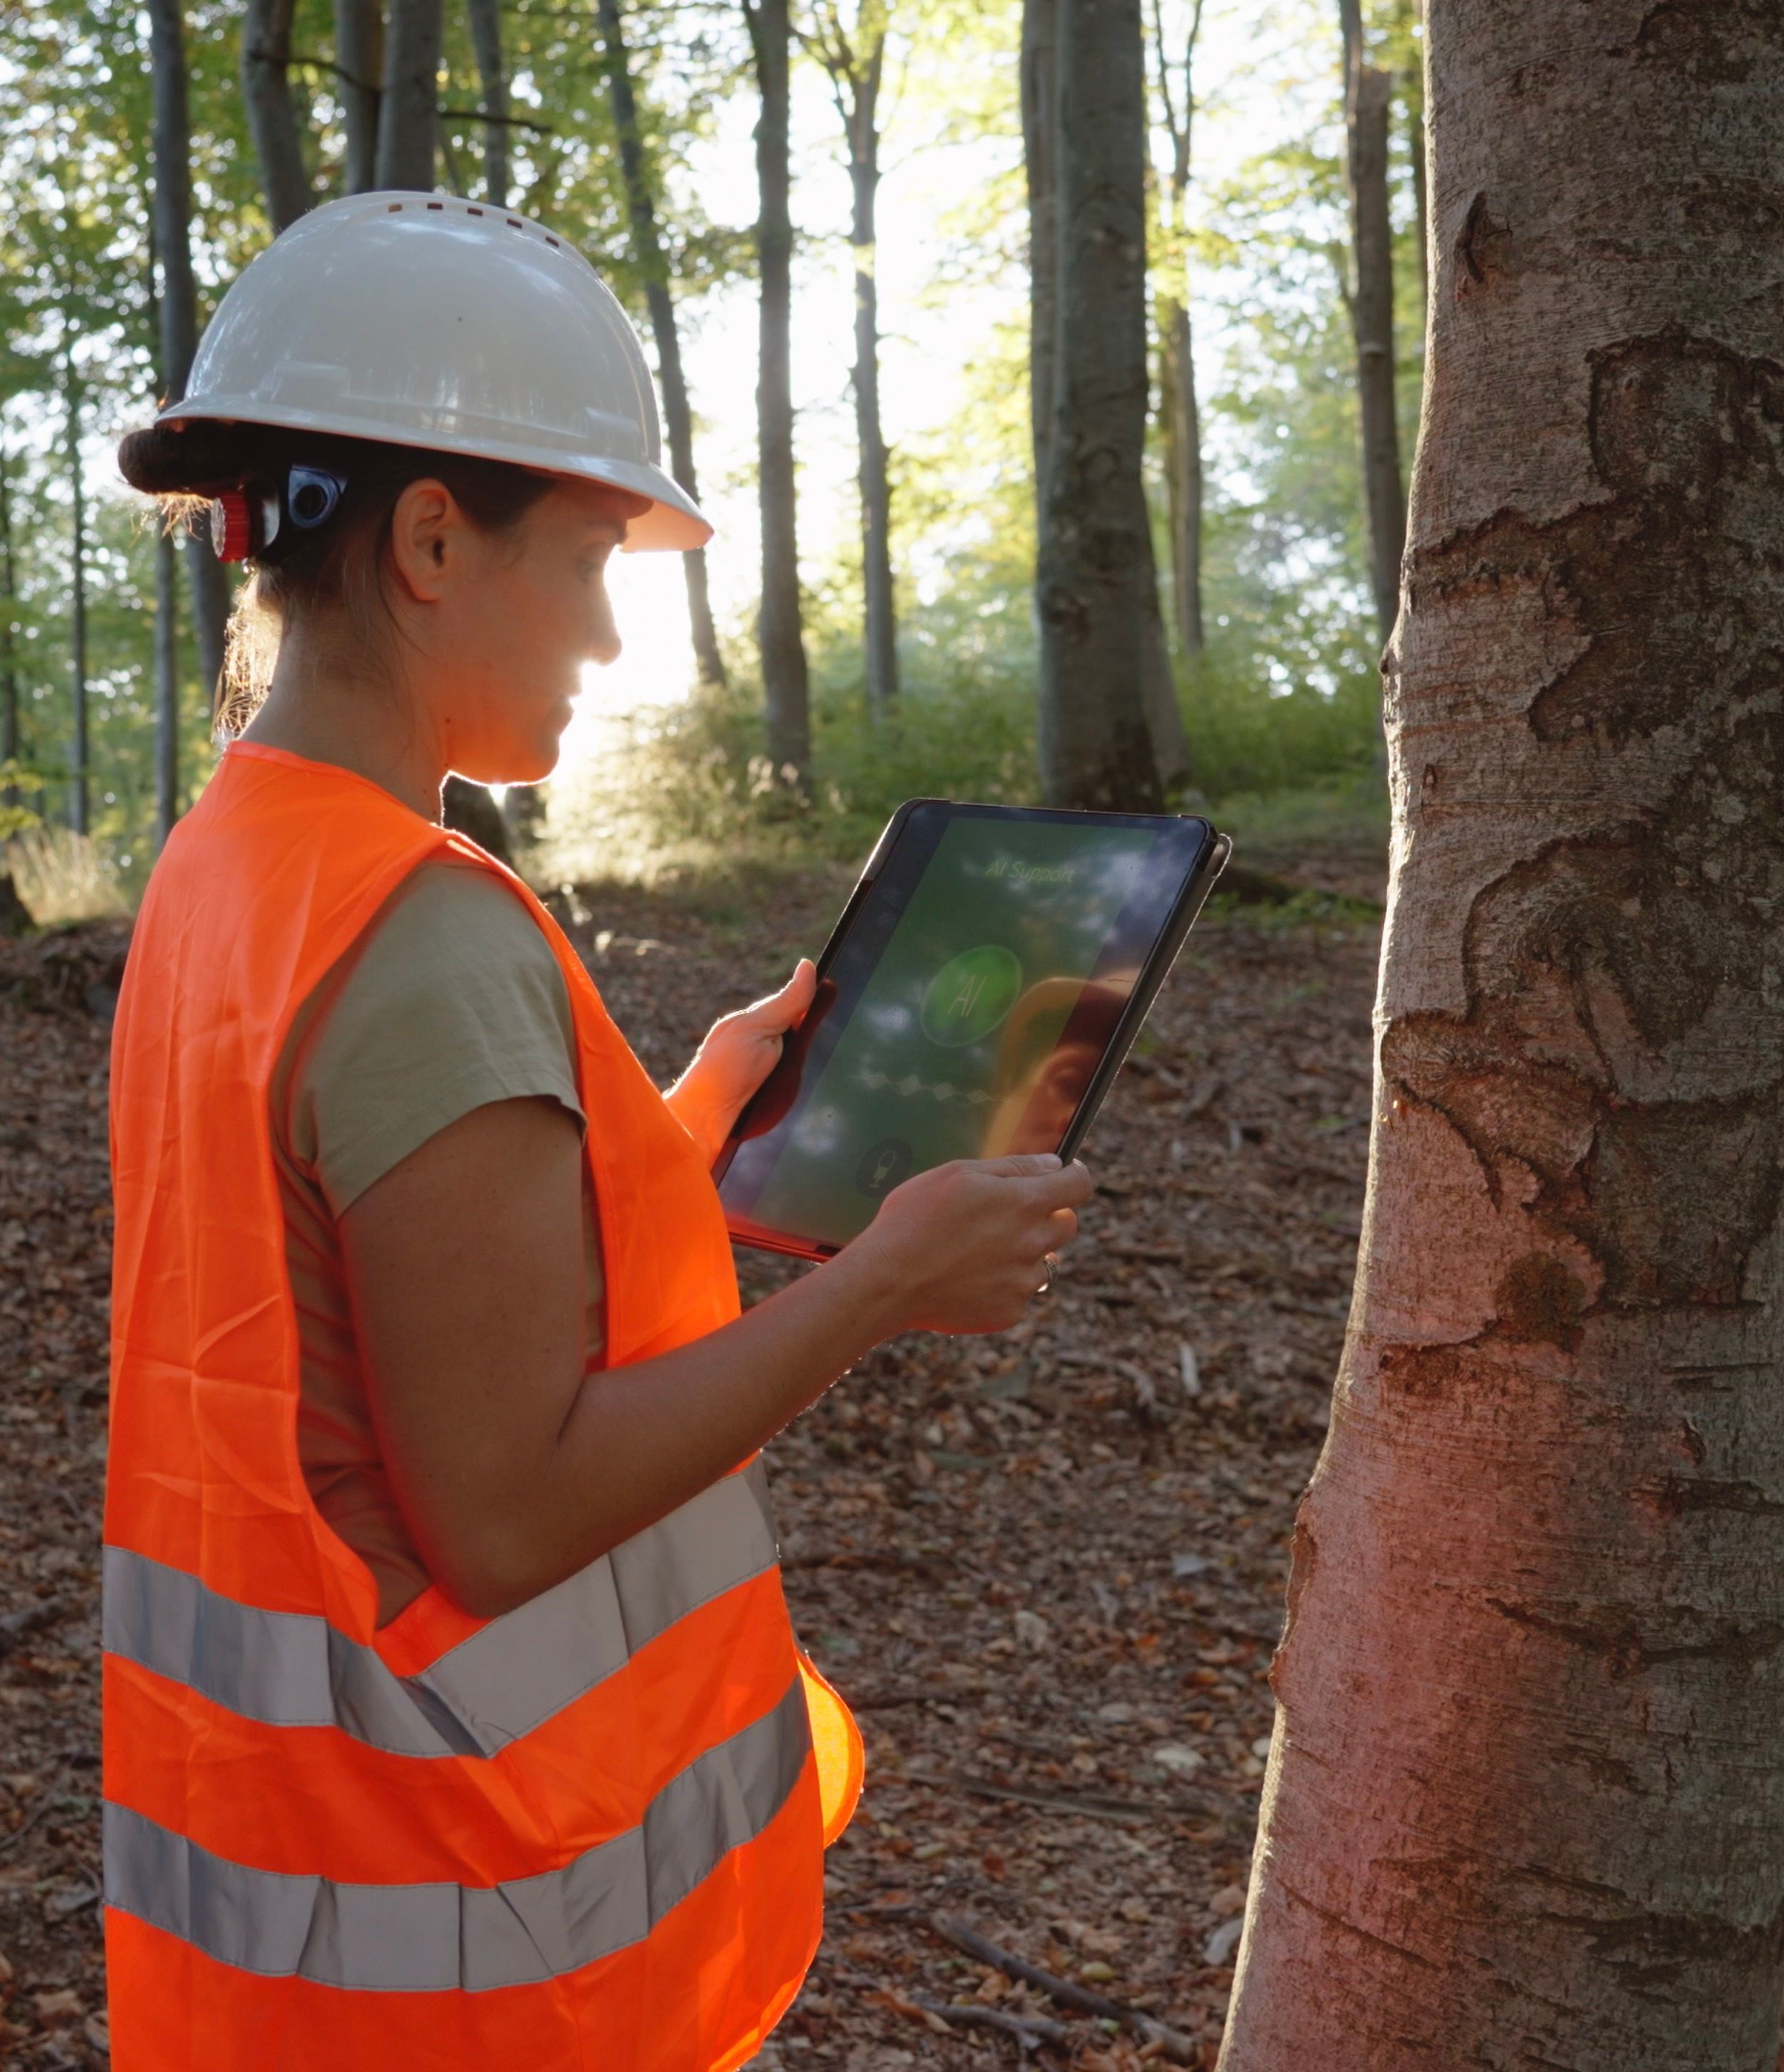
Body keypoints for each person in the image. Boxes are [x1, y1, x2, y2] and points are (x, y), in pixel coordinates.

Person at [98, 192, 1095, 2068]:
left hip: (273, 1919)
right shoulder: (421, 933)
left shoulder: (235, 869)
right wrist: (880, 1284)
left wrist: (684, 1121)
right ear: (425, 542)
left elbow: (347, 1303)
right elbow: (507, 1506)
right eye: (590, 559)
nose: (613, 635)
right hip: (472, 1934)